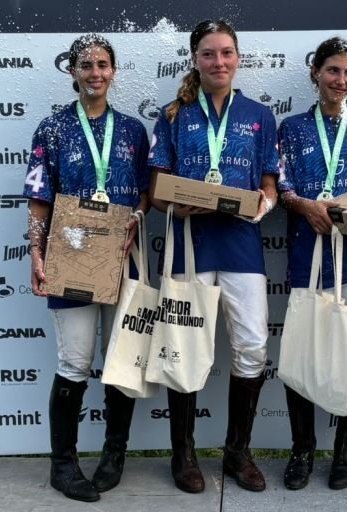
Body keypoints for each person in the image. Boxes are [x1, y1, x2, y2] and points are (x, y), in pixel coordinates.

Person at [147, 20, 279, 493]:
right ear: (195, 60)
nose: (218, 62)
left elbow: (268, 184)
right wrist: (173, 202)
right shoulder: (172, 115)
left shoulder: (261, 116)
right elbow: (157, 187)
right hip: (190, 246)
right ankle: (183, 454)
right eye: (208, 54)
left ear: (238, 57)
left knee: (252, 349)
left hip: (242, 248)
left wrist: (263, 206)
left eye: (226, 53)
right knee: (184, 352)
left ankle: (236, 453)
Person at [23, 33, 150, 502]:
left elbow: (142, 193)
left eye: (102, 64)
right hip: (70, 254)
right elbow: (39, 198)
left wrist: (136, 217)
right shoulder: (51, 129)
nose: (95, 72)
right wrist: (36, 253)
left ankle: (113, 456)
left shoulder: (134, 131)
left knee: (118, 361)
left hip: (119, 256)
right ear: (73, 72)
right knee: (74, 362)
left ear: (113, 71)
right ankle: (63, 465)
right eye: (86, 65)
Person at [276, 37, 347, 491]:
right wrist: (305, 205)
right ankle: (302, 449)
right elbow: (280, 187)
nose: (340, 81)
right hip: (309, 258)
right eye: (332, 71)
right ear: (315, 74)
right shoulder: (290, 129)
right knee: (303, 353)